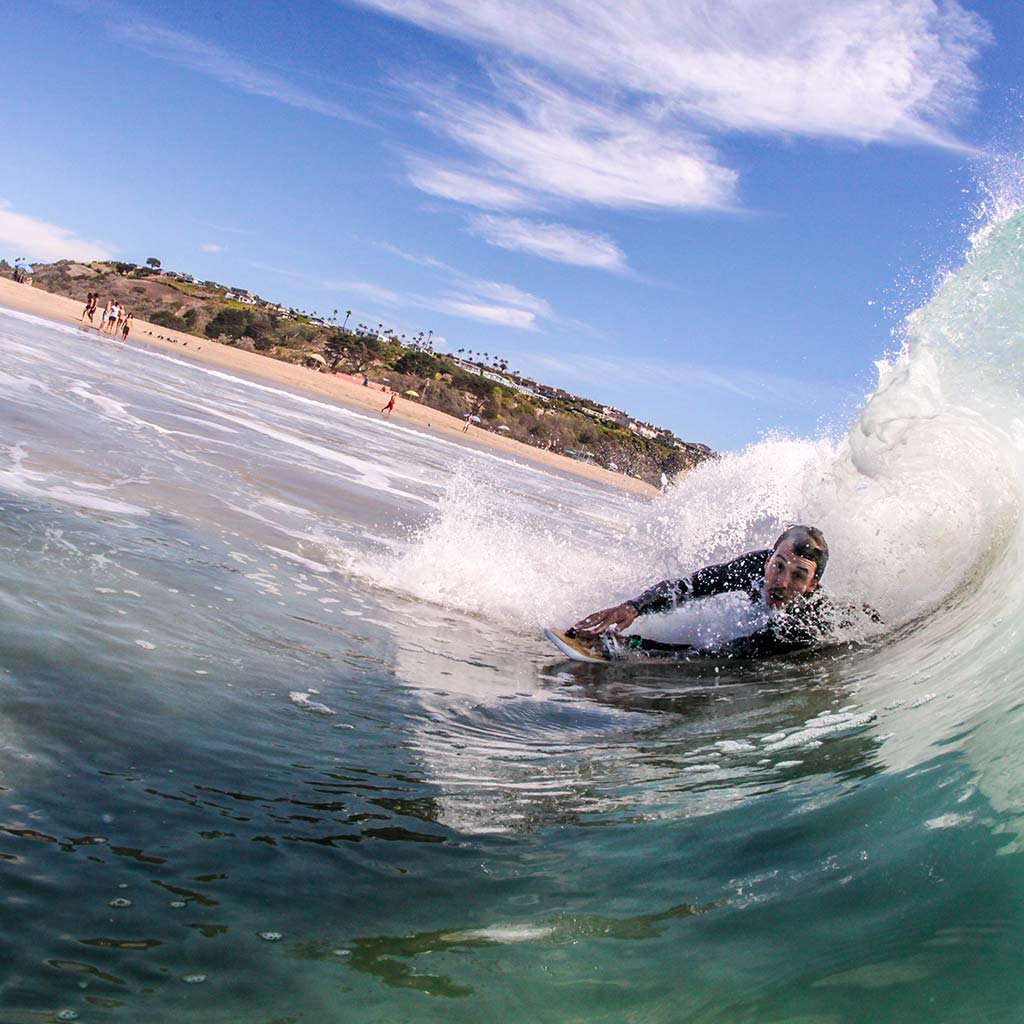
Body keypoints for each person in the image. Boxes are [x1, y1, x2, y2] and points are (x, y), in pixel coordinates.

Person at [567, 525, 871, 660]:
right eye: (778, 566)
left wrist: (634, 646)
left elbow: (723, 656)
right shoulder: (753, 566)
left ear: (811, 586)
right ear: (768, 560)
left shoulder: (802, 622)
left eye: (798, 576)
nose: (782, 581)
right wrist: (633, 607)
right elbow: (689, 586)